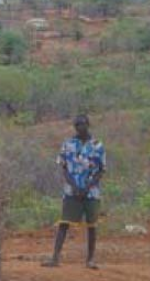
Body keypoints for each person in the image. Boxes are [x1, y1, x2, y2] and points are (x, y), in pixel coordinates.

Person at [43, 114, 107, 270]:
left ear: (88, 124)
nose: (80, 127)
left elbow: (101, 170)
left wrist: (88, 186)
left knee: (92, 225)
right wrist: (74, 186)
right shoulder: (68, 144)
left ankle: (90, 259)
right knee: (64, 223)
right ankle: (55, 257)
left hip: (91, 192)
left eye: (83, 124)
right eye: (77, 125)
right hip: (71, 191)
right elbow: (64, 168)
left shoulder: (97, 145)